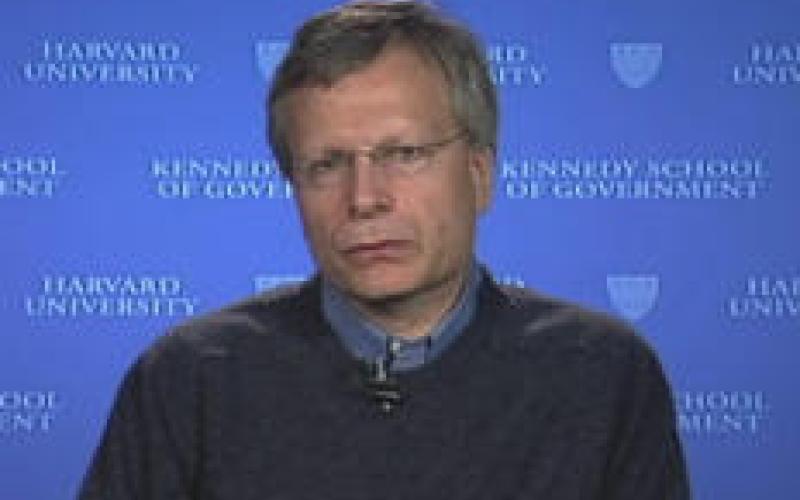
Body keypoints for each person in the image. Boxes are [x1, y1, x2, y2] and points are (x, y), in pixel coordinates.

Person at [78, 1, 690, 499]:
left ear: (479, 174)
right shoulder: (192, 379)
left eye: (404, 154)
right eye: (326, 165)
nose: (364, 198)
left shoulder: (601, 374)